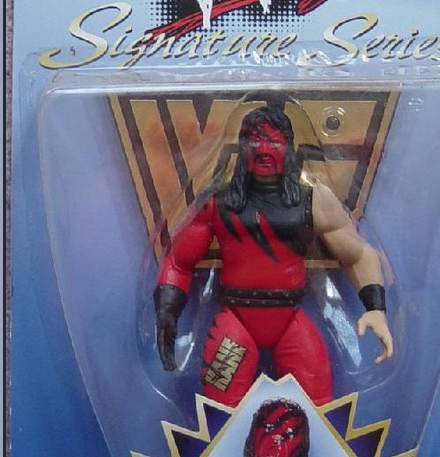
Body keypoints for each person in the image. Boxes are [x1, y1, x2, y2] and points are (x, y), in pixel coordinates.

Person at [154, 104, 393, 407]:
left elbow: (357, 254)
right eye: (255, 141)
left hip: (289, 320)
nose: (264, 150)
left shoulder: (313, 201)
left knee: (318, 407)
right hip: (236, 321)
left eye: (274, 143)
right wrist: (167, 311)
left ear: (289, 148)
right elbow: (179, 260)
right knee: (220, 412)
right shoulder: (219, 203)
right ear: (243, 147)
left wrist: (375, 307)